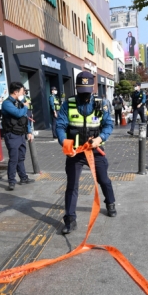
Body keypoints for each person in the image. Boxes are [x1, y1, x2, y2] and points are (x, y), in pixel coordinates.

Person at [55, 71, 116, 234]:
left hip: (95, 150)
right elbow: (60, 126)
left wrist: (100, 138)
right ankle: (70, 219)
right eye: (82, 92)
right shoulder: (68, 104)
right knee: (72, 185)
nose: (85, 96)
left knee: (104, 180)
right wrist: (65, 143)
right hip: (75, 153)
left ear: (93, 88)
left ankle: (110, 203)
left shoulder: (101, 103)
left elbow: (109, 125)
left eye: (87, 92)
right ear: (76, 88)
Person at [1, 81, 35, 190]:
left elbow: (25, 118)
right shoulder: (7, 104)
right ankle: (11, 181)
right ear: (16, 92)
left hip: (21, 134)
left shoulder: (19, 102)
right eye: (22, 92)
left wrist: (29, 132)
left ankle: (23, 177)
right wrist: (25, 106)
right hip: (11, 135)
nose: (23, 94)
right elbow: (18, 113)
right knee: (14, 159)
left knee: (21, 157)